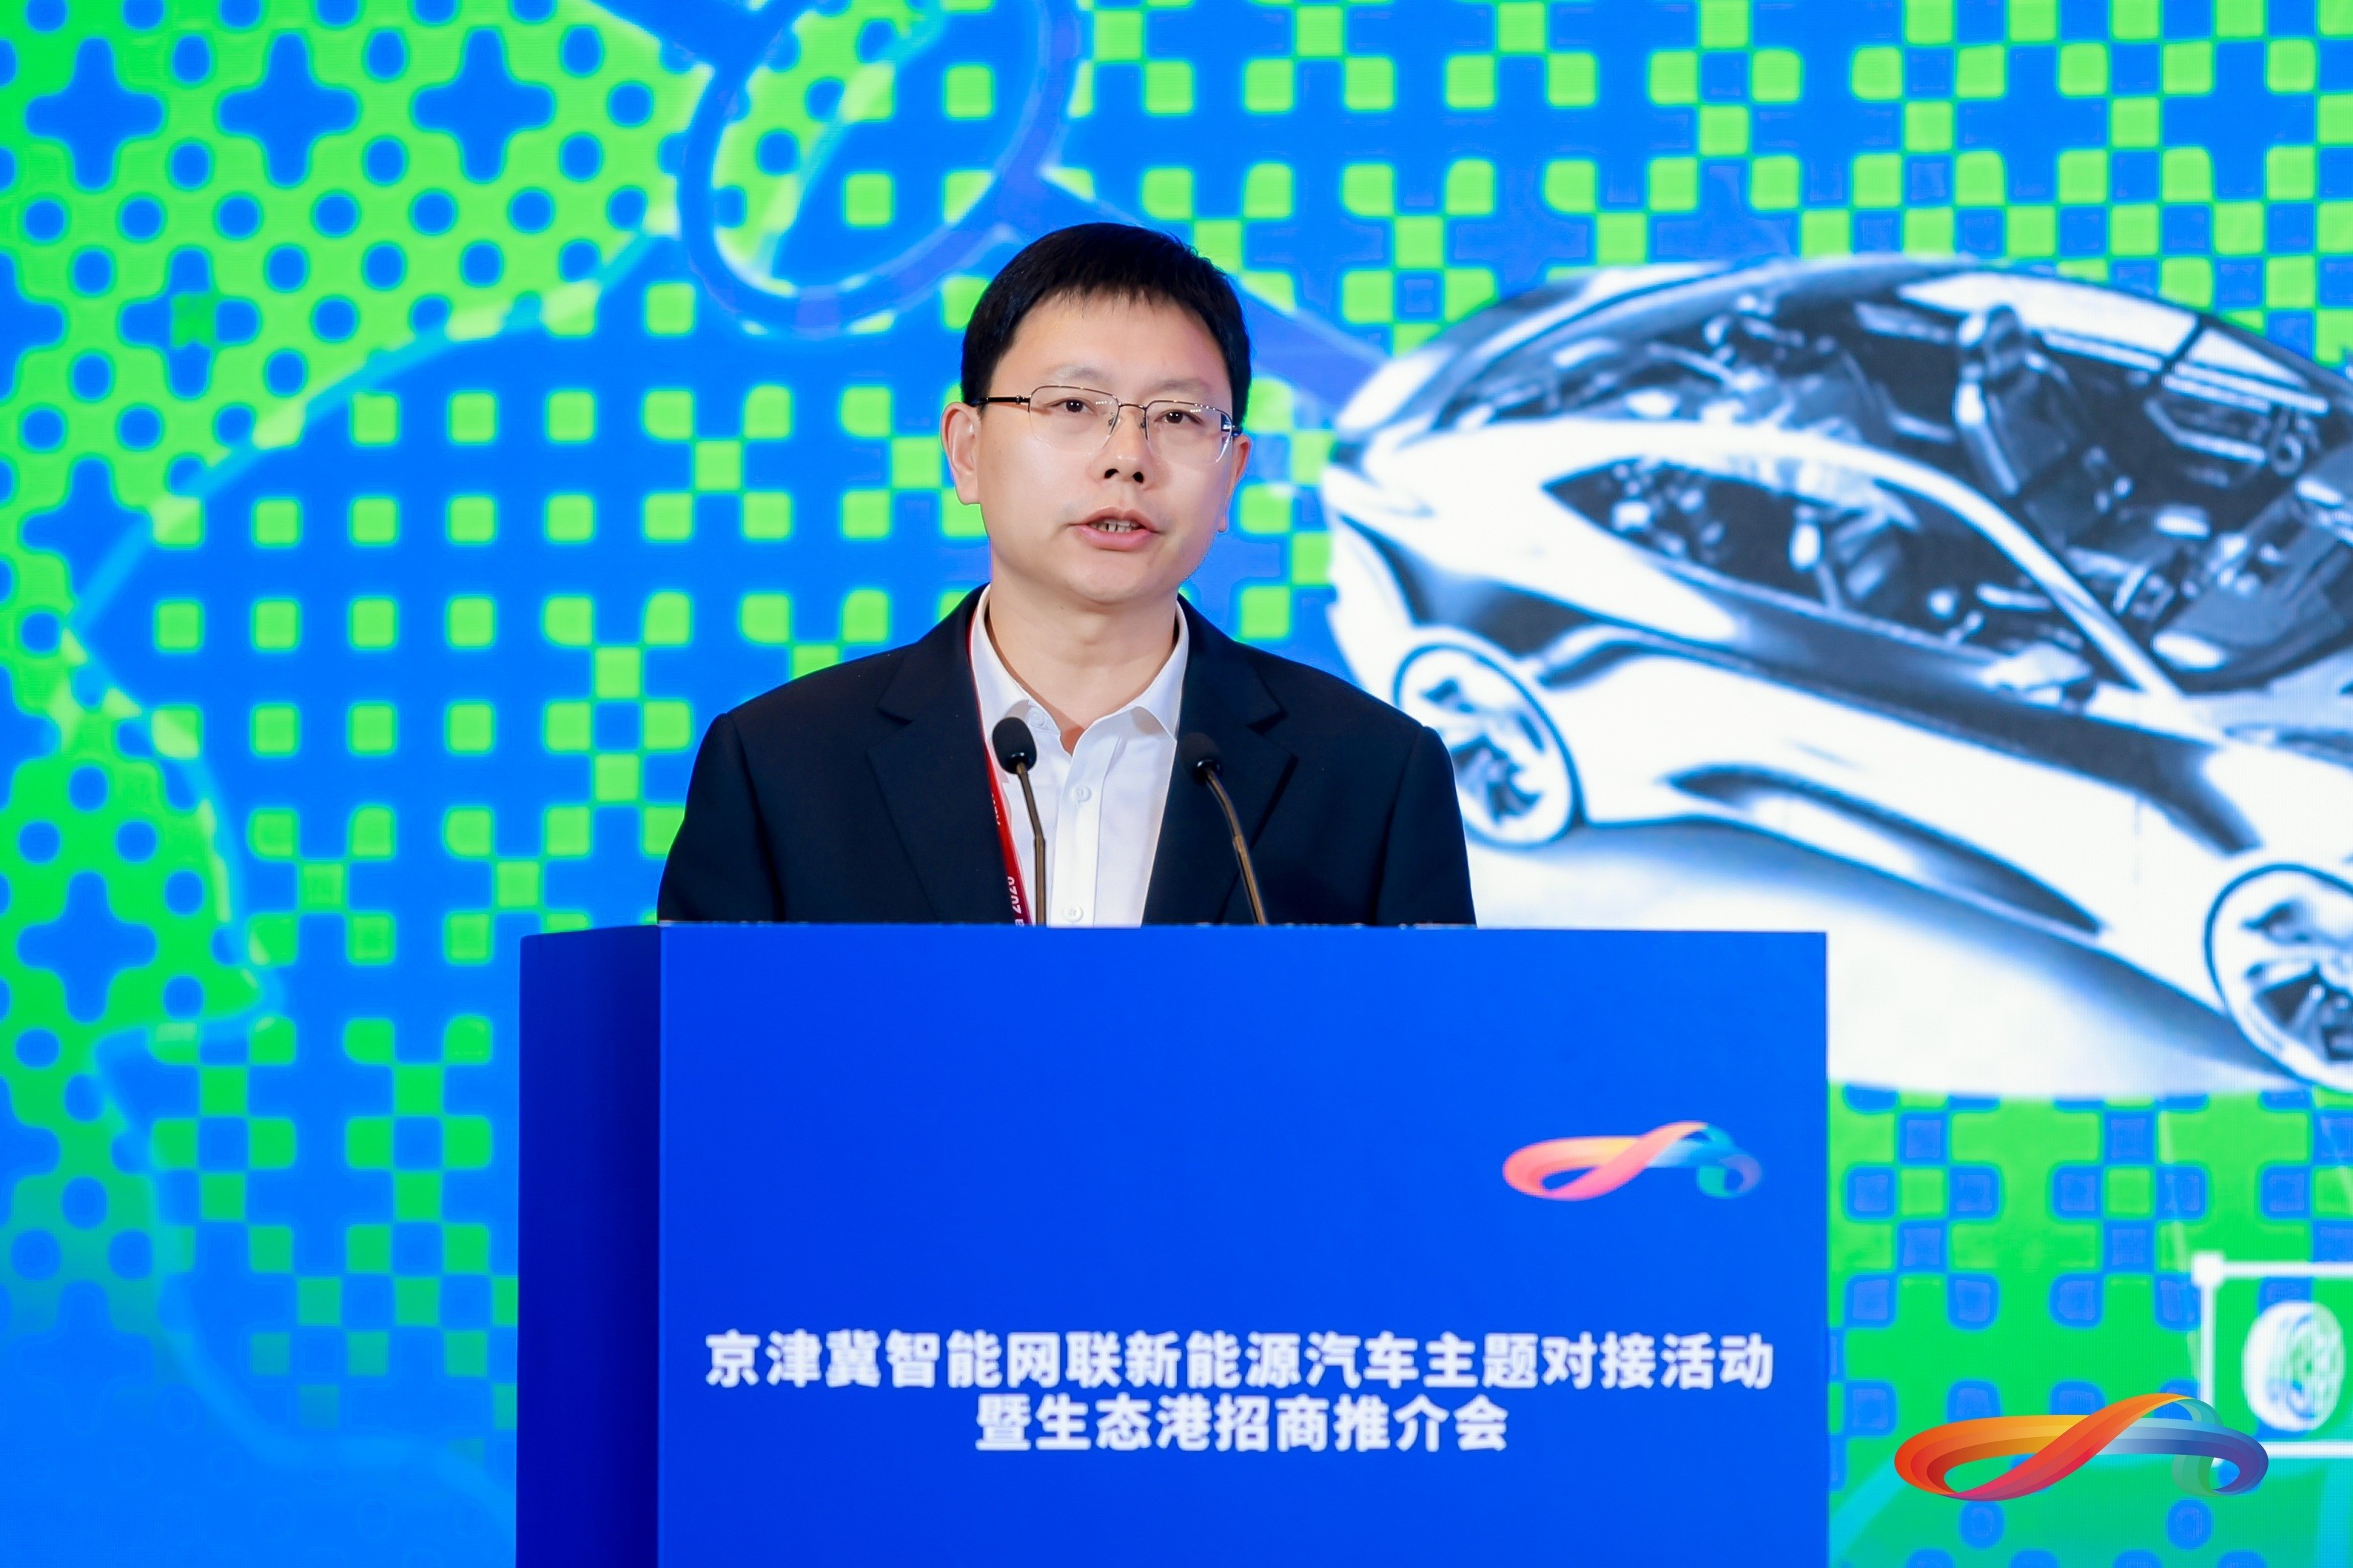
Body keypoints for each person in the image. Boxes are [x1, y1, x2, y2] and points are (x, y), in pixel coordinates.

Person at [657, 223, 1474, 925]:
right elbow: (707, 1055)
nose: (1127, 458)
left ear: (1231, 474)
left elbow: (1429, 1057)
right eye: (1074, 406)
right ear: (966, 450)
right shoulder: (782, 769)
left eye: (1178, 417)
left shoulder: (1373, 776)